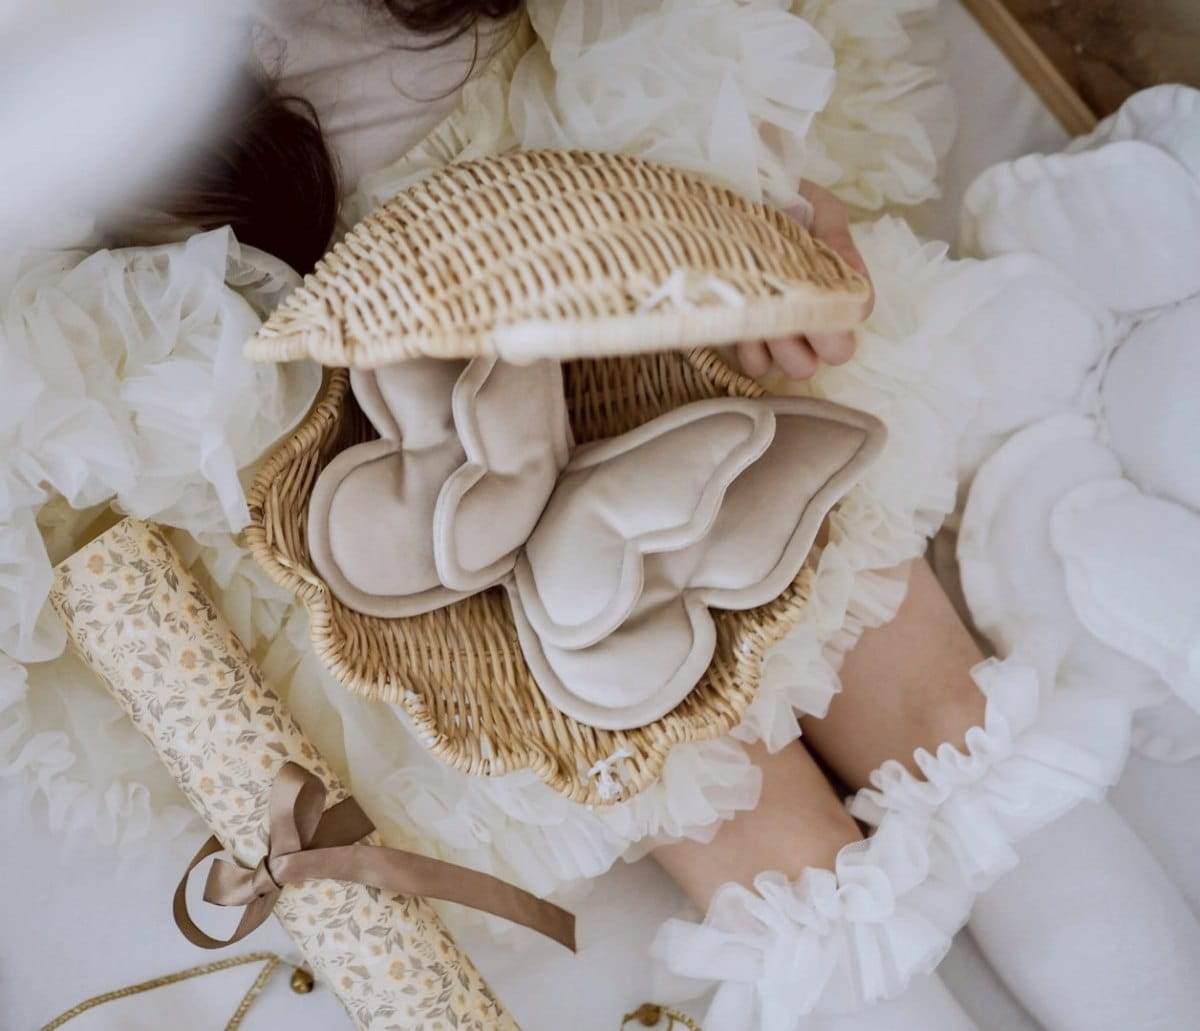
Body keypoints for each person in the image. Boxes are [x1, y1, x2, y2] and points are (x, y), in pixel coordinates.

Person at [134, 2, 1200, 1028]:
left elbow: (655, 44)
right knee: (784, 867)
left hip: (631, 262)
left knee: (944, 725)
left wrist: (751, 199)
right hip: (400, 473)